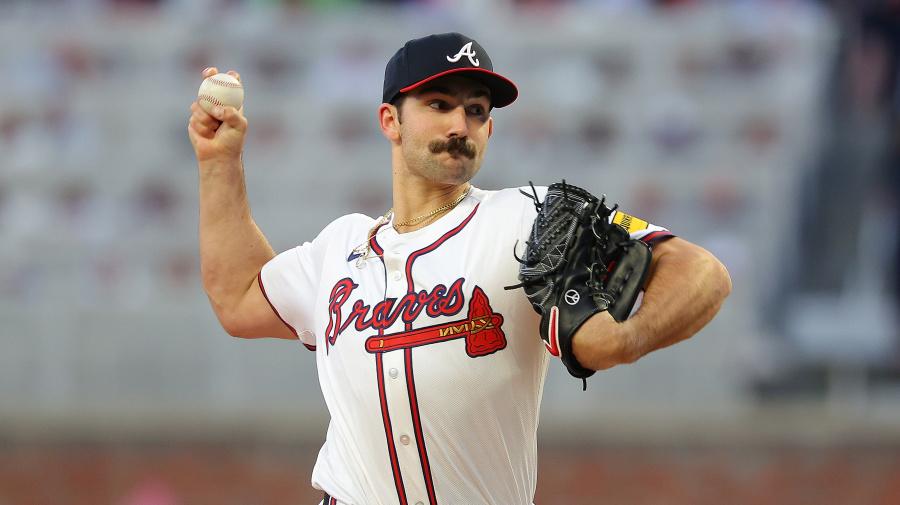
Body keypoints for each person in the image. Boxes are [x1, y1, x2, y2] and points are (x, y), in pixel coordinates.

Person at [188, 32, 731, 505]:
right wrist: (219, 164)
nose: (460, 124)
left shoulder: (530, 217)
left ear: (490, 131)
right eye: (439, 103)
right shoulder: (340, 247)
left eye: (476, 110)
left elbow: (702, 270)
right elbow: (237, 298)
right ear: (390, 120)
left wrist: (627, 338)